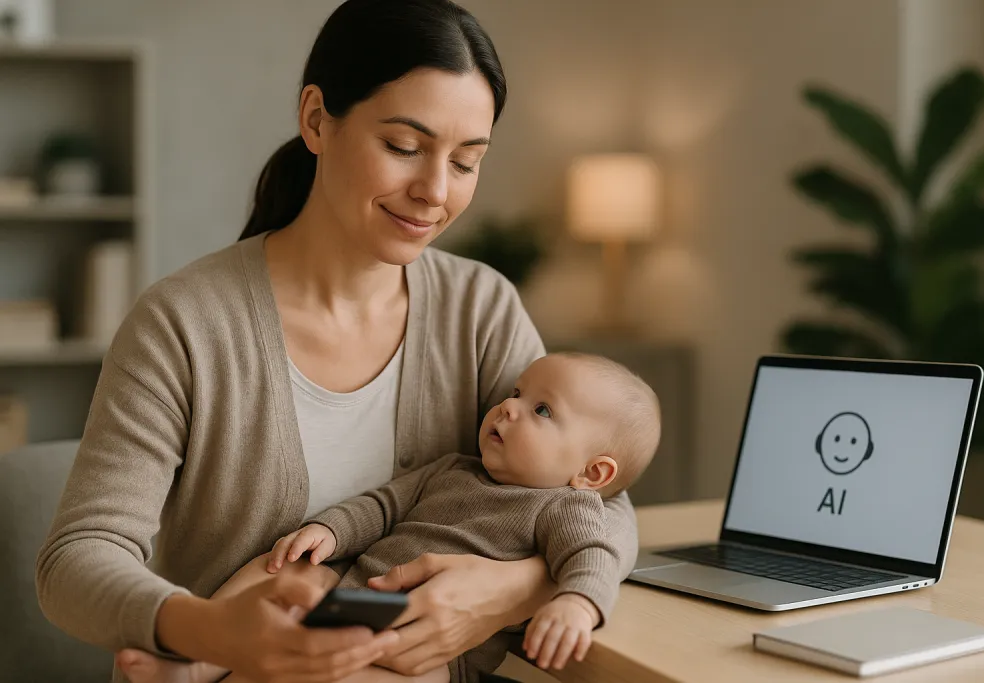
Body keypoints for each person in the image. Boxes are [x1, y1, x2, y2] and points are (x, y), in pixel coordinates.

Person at [35, 1, 640, 682]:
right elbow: (75, 561)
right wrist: (212, 631)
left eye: (467, 162)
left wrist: (508, 591)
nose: (435, 191)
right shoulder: (185, 322)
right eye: (404, 148)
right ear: (317, 119)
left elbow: (594, 493)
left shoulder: (481, 307)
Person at [114, 352, 661, 683]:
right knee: (279, 569)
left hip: (425, 651)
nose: (509, 406)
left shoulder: (567, 508)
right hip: (352, 586)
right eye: (517, 393)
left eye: (542, 410)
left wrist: (578, 603)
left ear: (593, 474)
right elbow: (384, 505)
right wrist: (329, 531)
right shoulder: (453, 468)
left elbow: (594, 555)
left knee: (338, 672)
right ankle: (198, 660)